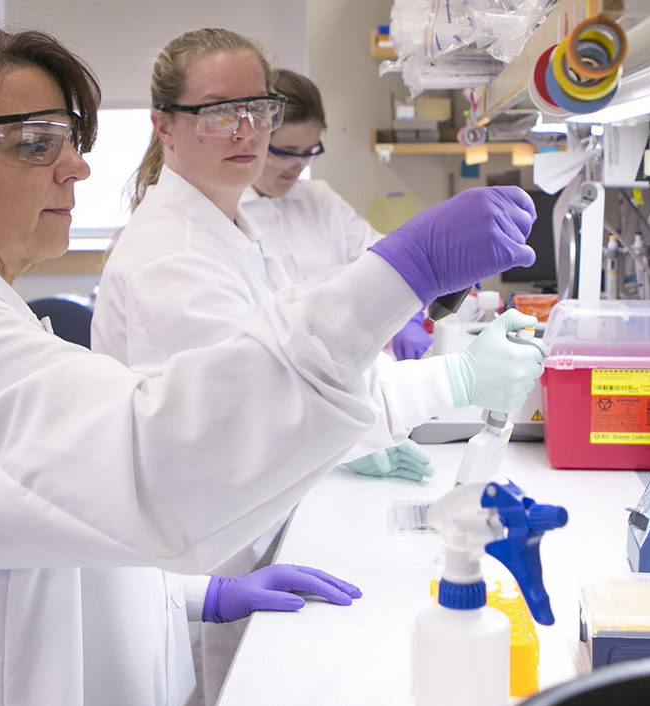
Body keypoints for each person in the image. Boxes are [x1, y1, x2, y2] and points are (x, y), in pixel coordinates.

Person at [0, 14, 536, 706]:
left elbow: (59, 522)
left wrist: (198, 596)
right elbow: (159, 460)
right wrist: (402, 276)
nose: (77, 166)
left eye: (70, 136)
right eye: (34, 141)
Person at [93, 30, 546, 482]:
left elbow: (302, 367)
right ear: (164, 126)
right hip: (203, 542)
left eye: (259, 109)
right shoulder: (171, 257)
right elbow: (260, 415)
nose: (247, 131)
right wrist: (454, 376)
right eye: (219, 112)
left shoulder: (231, 230)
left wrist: (450, 378)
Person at [239, 68, 430, 361]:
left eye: (309, 151)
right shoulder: (231, 216)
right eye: (286, 152)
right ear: (255, 141)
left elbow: (385, 257)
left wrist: (410, 316)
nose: (298, 165)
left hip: (356, 375)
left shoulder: (320, 199)